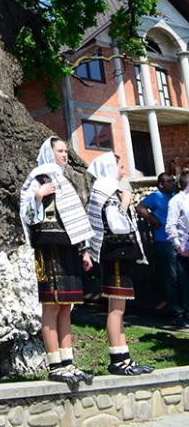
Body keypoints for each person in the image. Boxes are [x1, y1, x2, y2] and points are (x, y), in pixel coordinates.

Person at [20, 136, 94, 384]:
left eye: (65, 151)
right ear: (49, 153)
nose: (64, 155)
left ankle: (68, 362)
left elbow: (75, 218)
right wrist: (38, 196)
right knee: (51, 304)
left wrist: (84, 249)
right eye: (60, 151)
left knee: (66, 306)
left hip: (68, 247)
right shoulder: (38, 178)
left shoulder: (65, 181)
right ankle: (54, 364)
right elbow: (27, 216)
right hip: (48, 247)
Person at [87, 153, 153, 376]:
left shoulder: (108, 189)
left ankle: (124, 357)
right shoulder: (104, 189)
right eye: (120, 166)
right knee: (116, 308)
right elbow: (116, 224)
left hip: (119, 253)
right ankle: (117, 359)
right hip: (113, 252)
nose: (123, 171)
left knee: (120, 307)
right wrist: (125, 202)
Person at [136, 173, 186, 327]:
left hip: (181, 242)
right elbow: (139, 207)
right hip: (164, 241)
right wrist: (153, 219)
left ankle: (185, 311)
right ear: (161, 184)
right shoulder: (156, 196)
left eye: (173, 181)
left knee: (183, 277)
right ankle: (177, 314)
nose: (172, 183)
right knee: (171, 278)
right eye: (168, 181)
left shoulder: (177, 195)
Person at [165, 169, 189, 316]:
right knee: (185, 283)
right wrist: (179, 247)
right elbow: (170, 225)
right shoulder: (176, 201)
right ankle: (185, 313)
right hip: (185, 248)